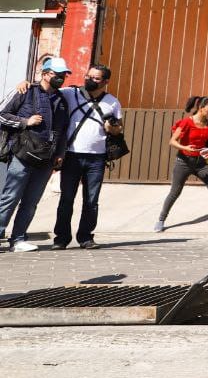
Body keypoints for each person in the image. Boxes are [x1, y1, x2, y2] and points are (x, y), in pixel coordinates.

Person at [0, 57, 72, 251]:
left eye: (63, 75)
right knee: (10, 197)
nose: (61, 78)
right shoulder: (25, 91)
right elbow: (1, 115)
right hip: (21, 154)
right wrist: (26, 122)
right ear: (45, 73)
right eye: (57, 75)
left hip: (46, 158)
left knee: (31, 202)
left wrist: (60, 153)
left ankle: (18, 239)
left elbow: (63, 130)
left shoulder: (62, 100)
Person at [53, 64, 124, 249]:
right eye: (88, 76)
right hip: (71, 155)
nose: (90, 80)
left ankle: (85, 237)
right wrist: (27, 83)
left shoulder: (112, 101)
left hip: (97, 158)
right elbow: (48, 89)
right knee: (67, 198)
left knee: (91, 200)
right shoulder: (71, 93)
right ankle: (61, 238)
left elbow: (119, 128)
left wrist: (113, 129)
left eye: (96, 78)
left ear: (106, 81)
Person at [155, 96, 208, 231]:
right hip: (183, 162)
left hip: (200, 163)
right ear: (201, 108)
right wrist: (185, 148)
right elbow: (172, 141)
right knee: (175, 192)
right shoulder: (186, 123)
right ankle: (160, 220)